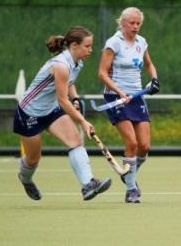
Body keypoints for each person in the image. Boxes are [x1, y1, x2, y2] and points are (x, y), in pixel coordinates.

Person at [14, 26, 112, 201]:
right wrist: (83, 121)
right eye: (87, 46)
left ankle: (88, 185)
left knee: (75, 140)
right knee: (33, 159)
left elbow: (69, 84)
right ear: (74, 45)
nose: (91, 50)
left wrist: (75, 98)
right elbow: (62, 100)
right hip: (29, 113)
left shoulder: (77, 63)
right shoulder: (60, 65)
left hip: (51, 110)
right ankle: (25, 178)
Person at [98, 7, 160, 203]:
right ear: (123, 23)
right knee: (131, 143)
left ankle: (128, 174)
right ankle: (131, 188)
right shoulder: (114, 42)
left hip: (136, 97)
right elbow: (102, 73)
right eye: (131, 23)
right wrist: (119, 91)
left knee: (145, 145)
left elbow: (149, 64)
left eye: (138, 23)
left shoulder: (142, 42)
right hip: (116, 98)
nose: (135, 26)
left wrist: (154, 79)